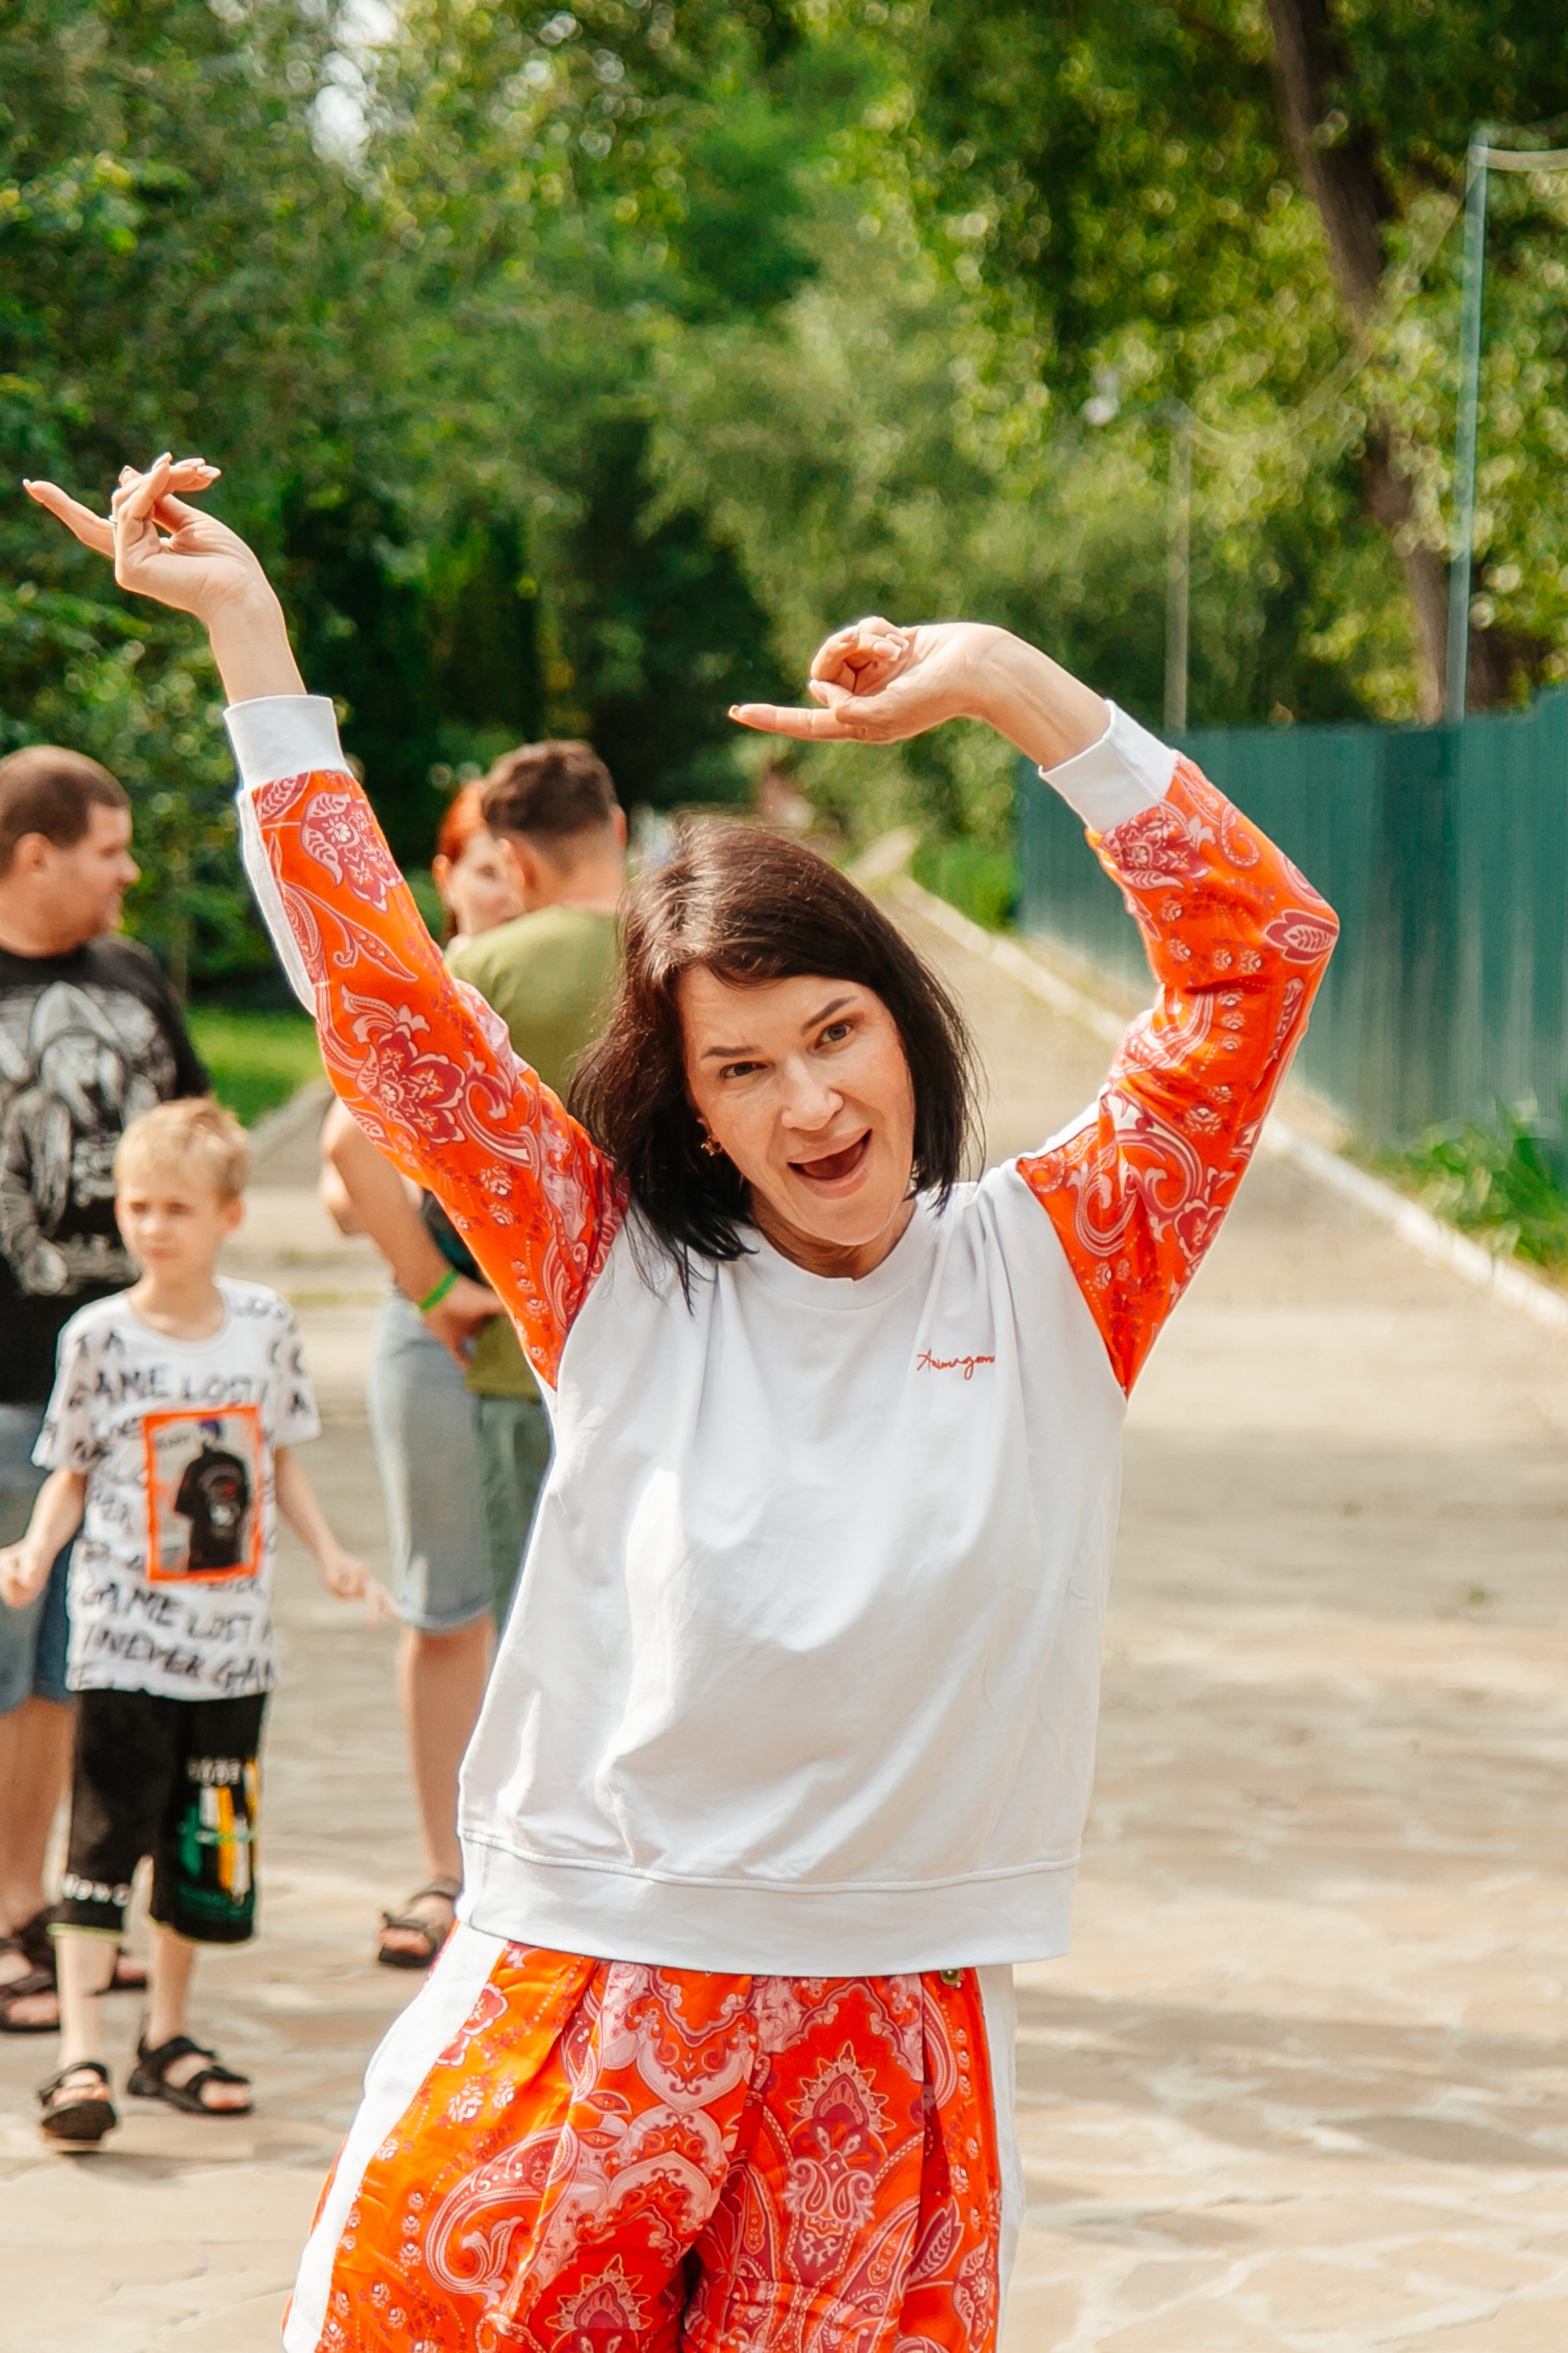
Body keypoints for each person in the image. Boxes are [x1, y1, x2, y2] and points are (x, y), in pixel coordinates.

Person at [28, 454, 1336, 2352]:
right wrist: (250, 636)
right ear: (694, 1110)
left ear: (905, 1027)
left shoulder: (1060, 1265)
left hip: (890, 2026)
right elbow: (388, 1015)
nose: (811, 1103)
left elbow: (1252, 962)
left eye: (836, 1031)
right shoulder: (612, 1272)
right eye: (742, 1068)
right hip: (584, 1993)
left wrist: (1004, 682)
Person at [0, 1096, 373, 2145]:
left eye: (176, 1208)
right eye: (137, 1206)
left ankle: (166, 2037)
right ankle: (79, 2056)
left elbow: (278, 1459)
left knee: (202, 1853)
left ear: (229, 1216)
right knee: (101, 1842)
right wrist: (35, 1550)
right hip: (122, 1643)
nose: (152, 1227)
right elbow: (71, 1473)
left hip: (231, 1651)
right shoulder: (98, 1338)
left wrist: (333, 1553)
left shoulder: (263, 1328)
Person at [321, 763, 620, 1969]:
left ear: (524, 861)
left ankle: (469, 1877)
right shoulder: (685, 954)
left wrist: (432, 1284)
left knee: (466, 1608)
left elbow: (349, 1149)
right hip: (597, 1342)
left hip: (485, 1335)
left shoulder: (482, 972)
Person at [0, 701, 210, 2036]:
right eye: (109, 849)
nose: (129, 872)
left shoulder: (133, 979)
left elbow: (198, 1139)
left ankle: (47, 1907)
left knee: (87, 1663)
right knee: (7, 1655)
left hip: (133, 1393)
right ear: (34, 855)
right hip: (6, 1385)